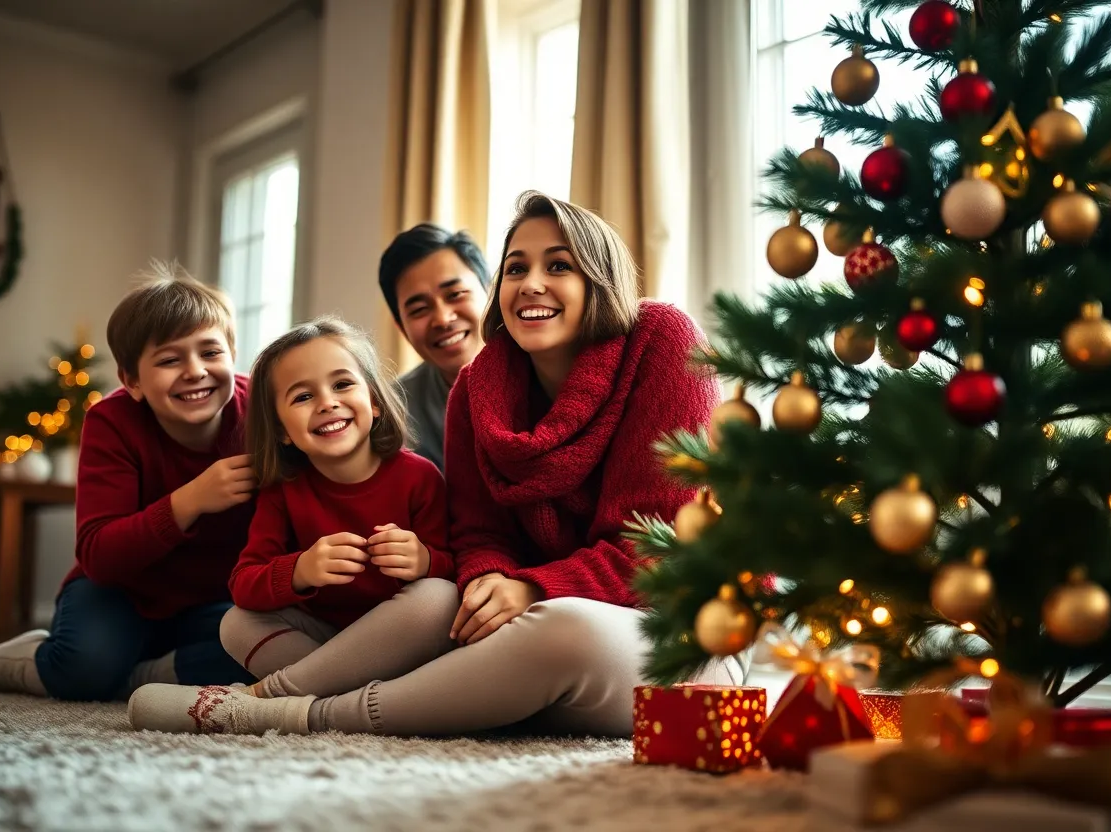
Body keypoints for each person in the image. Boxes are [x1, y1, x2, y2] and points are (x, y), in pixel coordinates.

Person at [127, 192, 741, 738]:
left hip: (674, 631)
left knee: (560, 630)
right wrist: (491, 581)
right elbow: (478, 536)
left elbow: (663, 547)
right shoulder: (478, 388)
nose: (531, 283)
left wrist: (531, 585)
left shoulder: (662, 339)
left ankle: (284, 709)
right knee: (439, 605)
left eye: (559, 265)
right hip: (518, 631)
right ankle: (444, 695)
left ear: (600, 279)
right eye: (517, 267)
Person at [127, 317, 459, 735]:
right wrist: (300, 570)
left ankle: (263, 698)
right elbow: (244, 582)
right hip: (320, 642)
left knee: (437, 597)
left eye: (342, 385)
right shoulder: (284, 491)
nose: (326, 402)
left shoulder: (420, 477)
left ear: (374, 401)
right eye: (303, 396)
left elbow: (455, 571)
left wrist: (425, 560)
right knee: (236, 623)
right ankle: (357, 702)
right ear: (283, 430)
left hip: (403, 646)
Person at [0, 262, 256, 700]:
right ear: (132, 380)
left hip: (216, 601)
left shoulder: (261, 414)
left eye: (211, 352)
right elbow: (99, 555)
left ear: (232, 355)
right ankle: (35, 660)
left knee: (275, 651)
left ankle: (142, 676)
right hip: (121, 592)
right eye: (170, 359)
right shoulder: (112, 421)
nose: (195, 370)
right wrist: (189, 500)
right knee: (85, 667)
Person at [377, 223, 490, 470]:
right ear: (401, 328)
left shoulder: (549, 376)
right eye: (419, 310)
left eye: (455, 294)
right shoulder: (394, 413)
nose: (442, 319)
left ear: (490, 292)